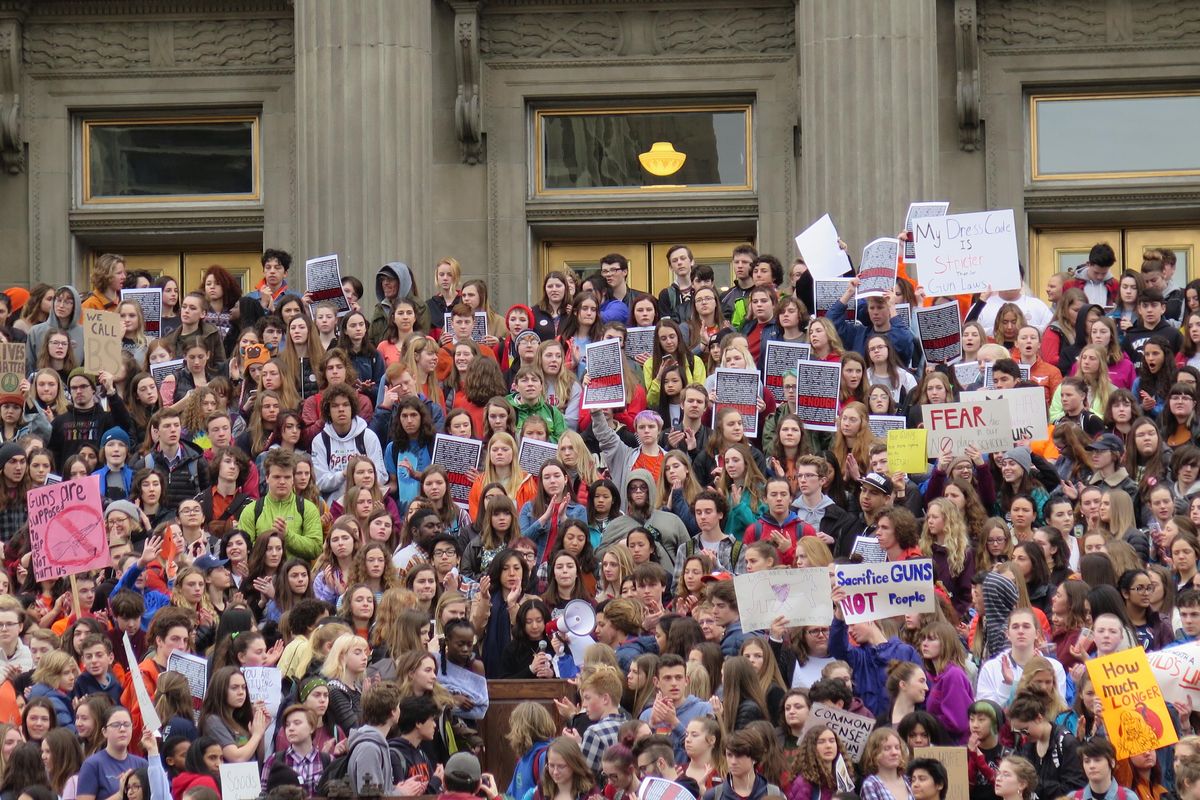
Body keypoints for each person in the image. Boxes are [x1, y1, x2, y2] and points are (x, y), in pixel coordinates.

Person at [1008, 689, 1086, 800]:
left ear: (1039, 718)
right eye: (1018, 732)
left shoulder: (1066, 743)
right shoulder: (1026, 746)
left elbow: (1075, 789)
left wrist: (1034, 784)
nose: (1023, 735)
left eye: (1025, 730)